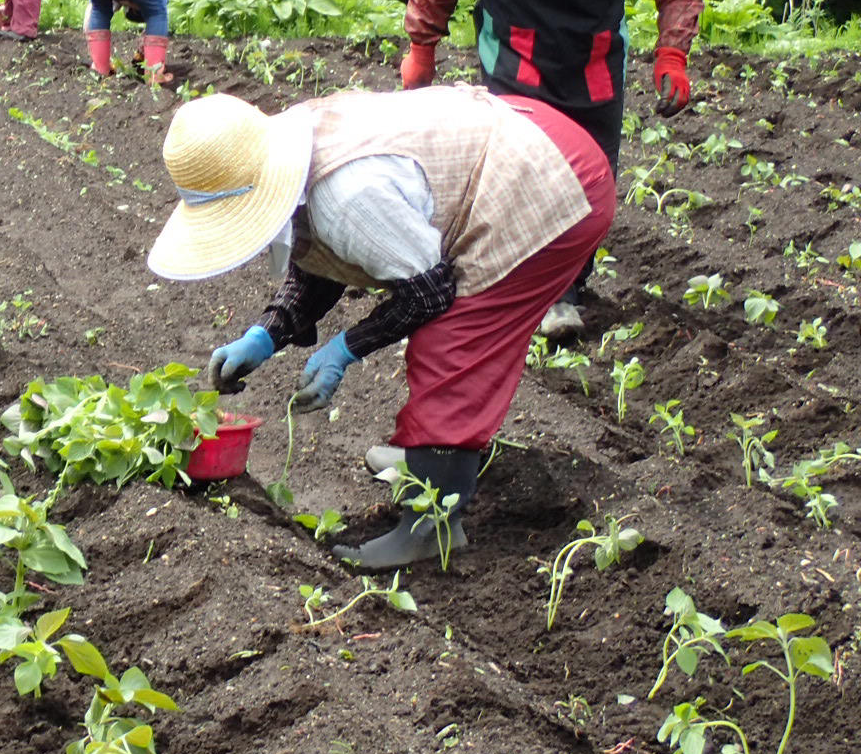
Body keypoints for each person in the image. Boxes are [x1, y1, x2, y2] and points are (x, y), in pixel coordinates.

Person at [148, 85, 614, 568]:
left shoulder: (349, 196)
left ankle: (433, 523)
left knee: (453, 344)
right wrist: (269, 331)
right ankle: (427, 464)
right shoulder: (291, 152)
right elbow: (324, 253)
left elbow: (428, 293)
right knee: (443, 329)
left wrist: (345, 349)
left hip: (550, 182)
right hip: (524, 139)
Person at [400, 0, 701, 337]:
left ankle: (564, 291)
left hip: (593, 57)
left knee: (591, 183)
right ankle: (503, 285)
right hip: (516, 52)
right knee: (518, 172)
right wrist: (422, 48)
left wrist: (672, 53)